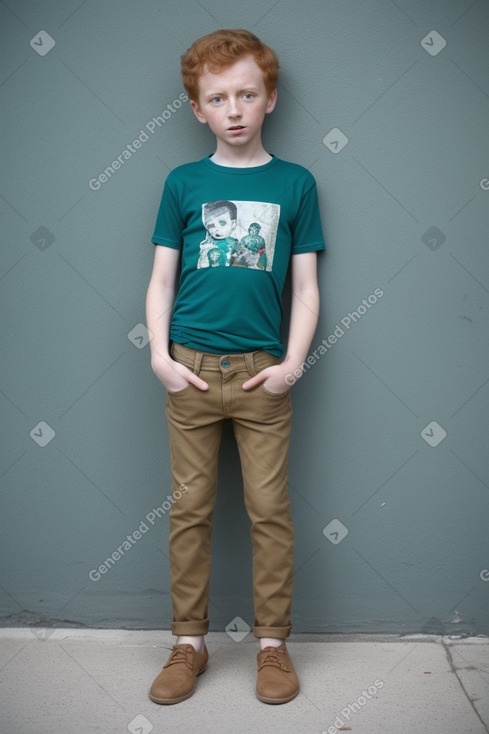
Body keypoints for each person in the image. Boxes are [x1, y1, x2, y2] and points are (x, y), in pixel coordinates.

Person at [145, 28, 325, 705]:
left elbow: (304, 290)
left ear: (269, 98)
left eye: (247, 93)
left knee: (268, 511)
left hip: (260, 376)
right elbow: (161, 280)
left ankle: (272, 646)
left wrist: (291, 365)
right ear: (197, 109)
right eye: (217, 98)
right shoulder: (183, 183)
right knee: (189, 510)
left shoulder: (295, 184)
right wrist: (159, 357)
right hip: (188, 371)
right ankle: (187, 643)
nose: (234, 109)